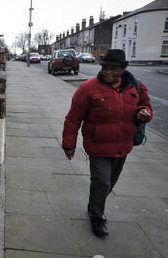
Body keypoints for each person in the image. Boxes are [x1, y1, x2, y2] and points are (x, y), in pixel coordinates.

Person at [62, 49, 153, 237]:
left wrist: (143, 112)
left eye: (113, 69)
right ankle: (97, 216)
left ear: (122, 70)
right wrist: (69, 144)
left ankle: (94, 202)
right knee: (102, 181)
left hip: (123, 145)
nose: (107, 72)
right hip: (98, 145)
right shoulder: (88, 88)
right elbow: (73, 119)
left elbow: (146, 107)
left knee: (110, 182)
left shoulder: (136, 86)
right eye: (104, 68)